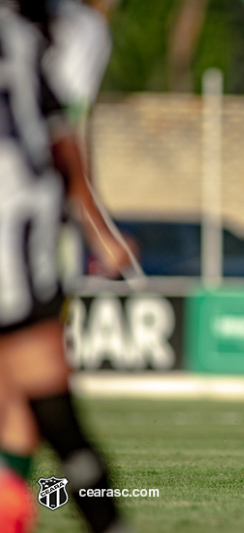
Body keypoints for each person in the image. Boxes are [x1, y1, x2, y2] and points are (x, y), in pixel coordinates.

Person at [0, 4, 132, 532]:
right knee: (47, 407)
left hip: (20, 230)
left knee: (29, 401)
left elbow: (57, 130)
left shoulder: (43, 32)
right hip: (19, 232)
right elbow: (62, 133)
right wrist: (96, 226)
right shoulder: (66, 31)